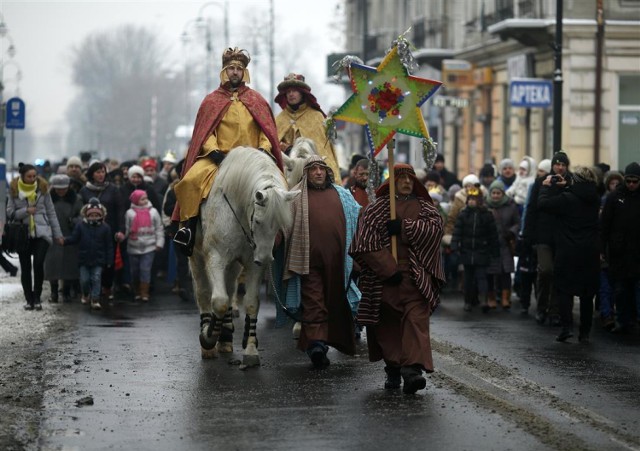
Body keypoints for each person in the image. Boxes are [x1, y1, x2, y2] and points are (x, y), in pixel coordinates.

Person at [172, 47, 283, 255]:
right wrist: (214, 152)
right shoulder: (211, 101)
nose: (235, 72)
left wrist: (263, 149)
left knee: (280, 185)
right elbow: (205, 133)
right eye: (231, 68)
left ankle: (280, 234)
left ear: (244, 73)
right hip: (219, 158)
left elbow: (266, 131)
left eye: (239, 69)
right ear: (224, 71)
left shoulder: (257, 100)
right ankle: (188, 229)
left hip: (252, 161)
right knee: (189, 181)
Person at [350, 163, 445, 394]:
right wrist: (387, 268)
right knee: (388, 326)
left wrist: (405, 227)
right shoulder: (376, 209)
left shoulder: (425, 207)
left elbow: (436, 229)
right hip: (384, 280)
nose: (406, 182)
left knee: (416, 321)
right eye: (401, 178)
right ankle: (393, 367)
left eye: (410, 179)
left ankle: (412, 370)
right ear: (391, 181)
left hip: (415, 277)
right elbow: (364, 243)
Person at [283, 156, 361, 369]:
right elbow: (282, 227)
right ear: (306, 173)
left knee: (336, 302)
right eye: (313, 169)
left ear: (328, 172)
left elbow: (359, 217)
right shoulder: (295, 197)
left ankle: (332, 340)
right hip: (308, 263)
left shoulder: (343, 195)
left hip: (339, 263)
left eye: (322, 169)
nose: (318, 172)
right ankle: (316, 344)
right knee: (314, 301)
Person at [538, 166, 600, 342]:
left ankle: (566, 328)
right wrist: (567, 186)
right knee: (587, 294)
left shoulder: (567, 199)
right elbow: (580, 194)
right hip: (589, 252)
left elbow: (543, 205)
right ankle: (585, 332)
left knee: (564, 289)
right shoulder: (594, 199)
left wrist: (545, 187)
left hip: (568, 251)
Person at [522, 150, 572, 326]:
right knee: (545, 271)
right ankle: (542, 307)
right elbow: (532, 210)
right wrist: (527, 235)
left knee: (559, 273)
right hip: (543, 235)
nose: (559, 167)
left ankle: (555, 310)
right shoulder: (540, 183)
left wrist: (566, 186)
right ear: (552, 166)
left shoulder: (571, 182)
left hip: (563, 236)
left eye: (563, 164)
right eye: (557, 164)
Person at [7, 163, 64, 310]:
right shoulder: (13, 190)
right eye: (29, 176)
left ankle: (37, 297)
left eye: (34, 176)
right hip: (22, 233)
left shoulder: (43, 190)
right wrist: (26, 211)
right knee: (25, 267)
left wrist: (57, 235)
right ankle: (29, 299)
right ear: (22, 177)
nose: (32, 179)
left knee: (38, 264)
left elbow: (51, 213)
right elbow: (10, 213)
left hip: (42, 232)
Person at [274, 73, 340, 177]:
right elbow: (272, 147)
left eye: (295, 91)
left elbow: (324, 151)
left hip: (313, 174)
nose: (291, 94)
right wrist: (285, 148)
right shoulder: (279, 119)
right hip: (286, 174)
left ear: (302, 93)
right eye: (288, 91)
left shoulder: (317, 117)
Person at [600, 162, 640, 334]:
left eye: (635, 181)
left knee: (637, 288)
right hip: (619, 252)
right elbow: (604, 226)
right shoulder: (614, 198)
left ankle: (635, 318)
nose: (631, 184)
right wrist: (601, 249)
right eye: (629, 181)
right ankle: (624, 320)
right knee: (621, 289)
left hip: (637, 252)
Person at [80, 161, 125, 301]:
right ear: (92, 174)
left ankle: (107, 287)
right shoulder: (84, 190)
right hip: (88, 232)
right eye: (98, 172)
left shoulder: (112, 189)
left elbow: (120, 211)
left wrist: (121, 230)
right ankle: (91, 290)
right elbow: (80, 211)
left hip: (109, 231)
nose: (101, 175)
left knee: (108, 260)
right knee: (90, 260)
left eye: (103, 172)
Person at [451, 186, 500, 312]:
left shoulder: (486, 215)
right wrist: (455, 246)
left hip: (481, 251)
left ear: (480, 201)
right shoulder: (463, 214)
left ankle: (484, 300)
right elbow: (457, 232)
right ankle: (467, 301)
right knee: (468, 278)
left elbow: (492, 234)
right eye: (470, 199)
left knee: (482, 277)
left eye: (474, 199)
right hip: (467, 251)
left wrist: (495, 251)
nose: (471, 201)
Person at [63, 198, 113, 310]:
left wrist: (109, 260)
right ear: (86, 215)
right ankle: (85, 294)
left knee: (96, 278)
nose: (94, 217)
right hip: (83, 259)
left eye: (96, 215)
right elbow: (74, 238)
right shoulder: (81, 226)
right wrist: (65, 241)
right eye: (91, 215)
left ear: (101, 215)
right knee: (84, 280)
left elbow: (109, 245)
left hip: (99, 259)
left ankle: (95, 299)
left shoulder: (105, 228)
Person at [43, 174, 82, 303]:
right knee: (52, 265)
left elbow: (82, 215)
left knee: (69, 264)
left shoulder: (76, 199)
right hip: (51, 235)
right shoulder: (46, 199)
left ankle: (66, 291)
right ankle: (54, 292)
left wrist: (74, 221)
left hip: (69, 234)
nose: (61, 191)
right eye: (58, 189)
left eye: (63, 188)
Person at [486, 180, 521, 310]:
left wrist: (512, 232)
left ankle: (506, 298)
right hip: (491, 244)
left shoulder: (511, 205)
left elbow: (518, 222)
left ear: (503, 193)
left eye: (498, 193)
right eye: (493, 193)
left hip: (506, 243)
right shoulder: (485, 205)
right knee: (490, 272)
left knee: (505, 272)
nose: (495, 195)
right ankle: (491, 298)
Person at [125, 190, 164, 302]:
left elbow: (159, 228)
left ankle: (144, 293)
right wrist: (122, 236)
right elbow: (127, 229)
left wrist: (159, 243)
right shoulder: (129, 213)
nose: (145, 200)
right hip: (133, 246)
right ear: (136, 200)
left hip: (149, 246)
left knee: (145, 269)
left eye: (146, 198)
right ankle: (136, 290)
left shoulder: (153, 212)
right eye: (142, 199)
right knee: (135, 270)